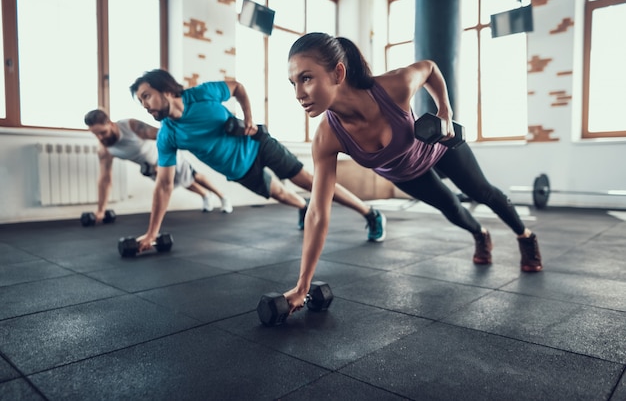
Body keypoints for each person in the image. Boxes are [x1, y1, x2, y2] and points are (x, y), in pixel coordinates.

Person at [283, 32, 542, 313]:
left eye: (306, 78)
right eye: (293, 83)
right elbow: (318, 212)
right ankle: (480, 234)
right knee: (451, 207)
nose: (298, 94)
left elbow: (429, 68)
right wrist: (302, 286)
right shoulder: (327, 137)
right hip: (406, 174)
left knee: (482, 192)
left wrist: (445, 110)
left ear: (338, 72)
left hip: (439, 149)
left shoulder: (393, 86)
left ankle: (525, 236)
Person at [128, 69, 386, 253]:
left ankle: (370, 213)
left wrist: (249, 119)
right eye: (140, 101)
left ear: (165, 88)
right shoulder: (168, 135)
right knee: (284, 196)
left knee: (310, 181)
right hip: (241, 169)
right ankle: (302, 207)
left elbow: (237, 87)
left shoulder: (201, 94)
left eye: (146, 96)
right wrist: (152, 233)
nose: (145, 105)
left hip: (258, 144)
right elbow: (163, 185)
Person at [84, 109, 233, 222]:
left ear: (110, 123)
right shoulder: (104, 149)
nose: (100, 137)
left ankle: (223, 197)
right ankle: (206, 195)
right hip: (151, 169)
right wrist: (100, 211)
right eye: (95, 134)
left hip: (166, 157)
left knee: (193, 176)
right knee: (183, 183)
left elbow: (165, 135)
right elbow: (104, 180)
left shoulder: (131, 127)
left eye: (102, 132)